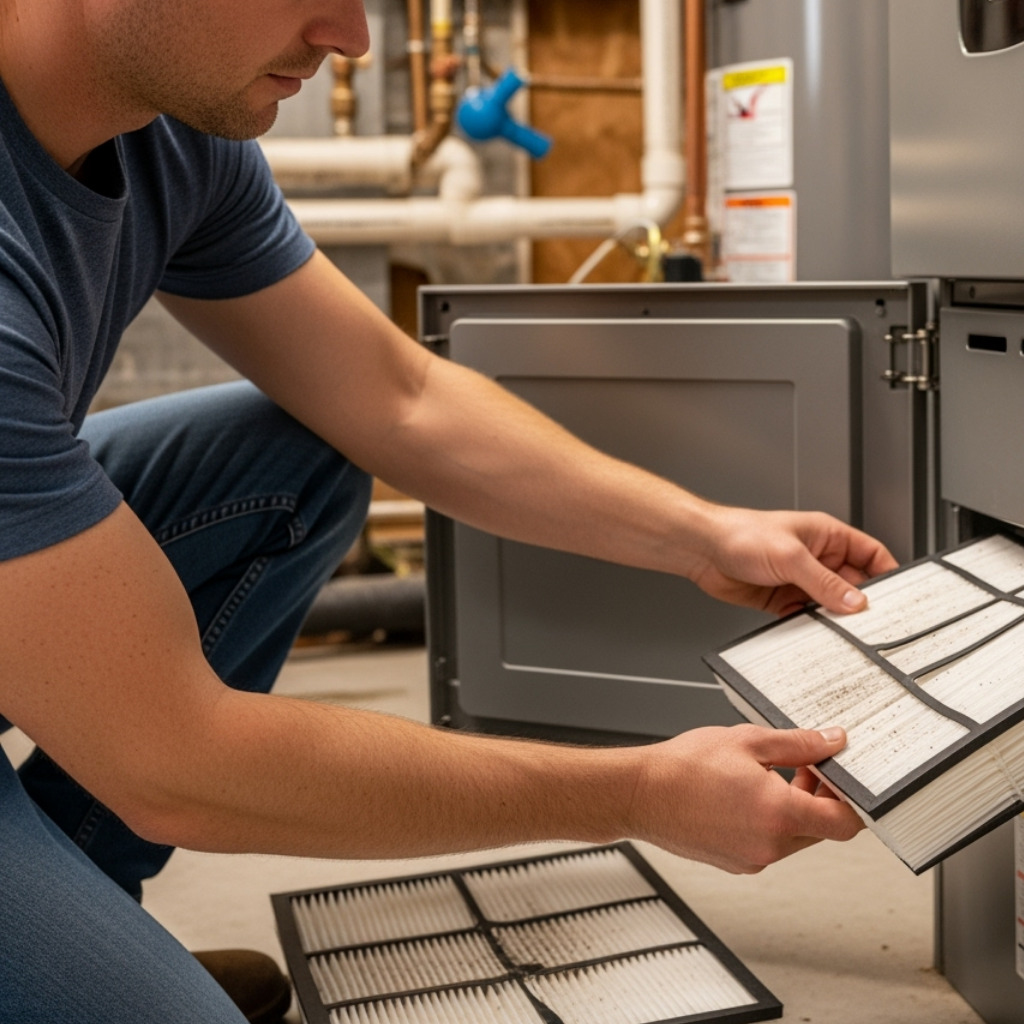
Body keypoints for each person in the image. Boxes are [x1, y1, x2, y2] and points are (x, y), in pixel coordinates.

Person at [0, 1, 896, 1021]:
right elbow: (178, 760)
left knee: (293, 458)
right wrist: (638, 793)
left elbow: (398, 397)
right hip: (155, 741)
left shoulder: (169, 133)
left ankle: (82, 898)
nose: (352, 36)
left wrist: (705, 534)